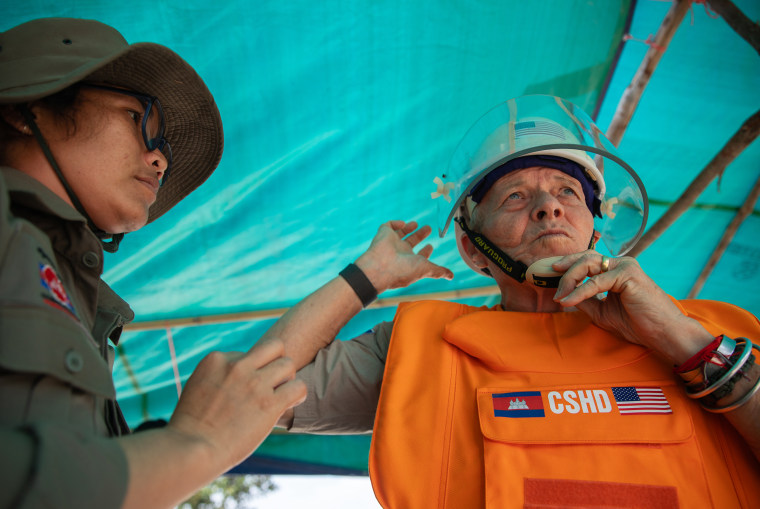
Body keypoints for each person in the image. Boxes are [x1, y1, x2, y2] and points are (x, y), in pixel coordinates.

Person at [269, 95, 760, 507]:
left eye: (568, 190)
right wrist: (366, 276)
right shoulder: (421, 346)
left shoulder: (713, 332)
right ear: (471, 247)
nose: (550, 206)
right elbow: (253, 389)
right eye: (515, 197)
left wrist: (685, 342)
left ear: (594, 224)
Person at [2, 17, 328, 509]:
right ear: (29, 108)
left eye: (165, 146)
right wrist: (197, 445)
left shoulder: (75, 299)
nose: (160, 160)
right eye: (139, 118)